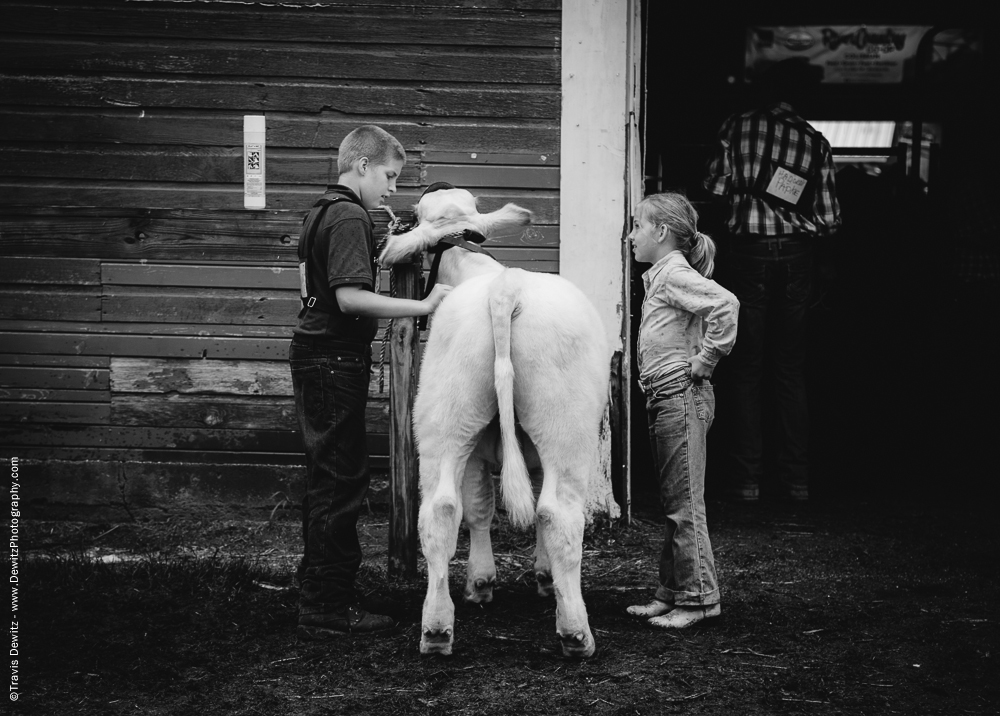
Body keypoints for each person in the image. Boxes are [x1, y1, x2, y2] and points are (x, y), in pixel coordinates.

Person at [290, 125, 452, 640]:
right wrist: (423, 305)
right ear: (361, 165)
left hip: (320, 356)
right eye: (389, 176)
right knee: (341, 480)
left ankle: (326, 588)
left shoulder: (319, 210)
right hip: (333, 359)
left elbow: (315, 284)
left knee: (330, 477)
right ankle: (326, 609)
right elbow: (350, 298)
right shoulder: (347, 215)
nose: (392, 189)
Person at [704, 58, 840, 502]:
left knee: (745, 368)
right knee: (790, 369)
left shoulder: (737, 127)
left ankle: (746, 482)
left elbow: (717, 189)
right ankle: (796, 481)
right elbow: (830, 219)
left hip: (749, 256)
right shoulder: (815, 142)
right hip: (797, 259)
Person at [626, 192, 739, 629]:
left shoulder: (673, 274)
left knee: (685, 503)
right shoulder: (661, 276)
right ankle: (672, 592)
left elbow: (726, 304)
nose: (631, 235)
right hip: (666, 395)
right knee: (674, 501)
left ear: (661, 232)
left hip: (680, 395)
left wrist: (707, 359)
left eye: (638, 226)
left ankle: (698, 600)